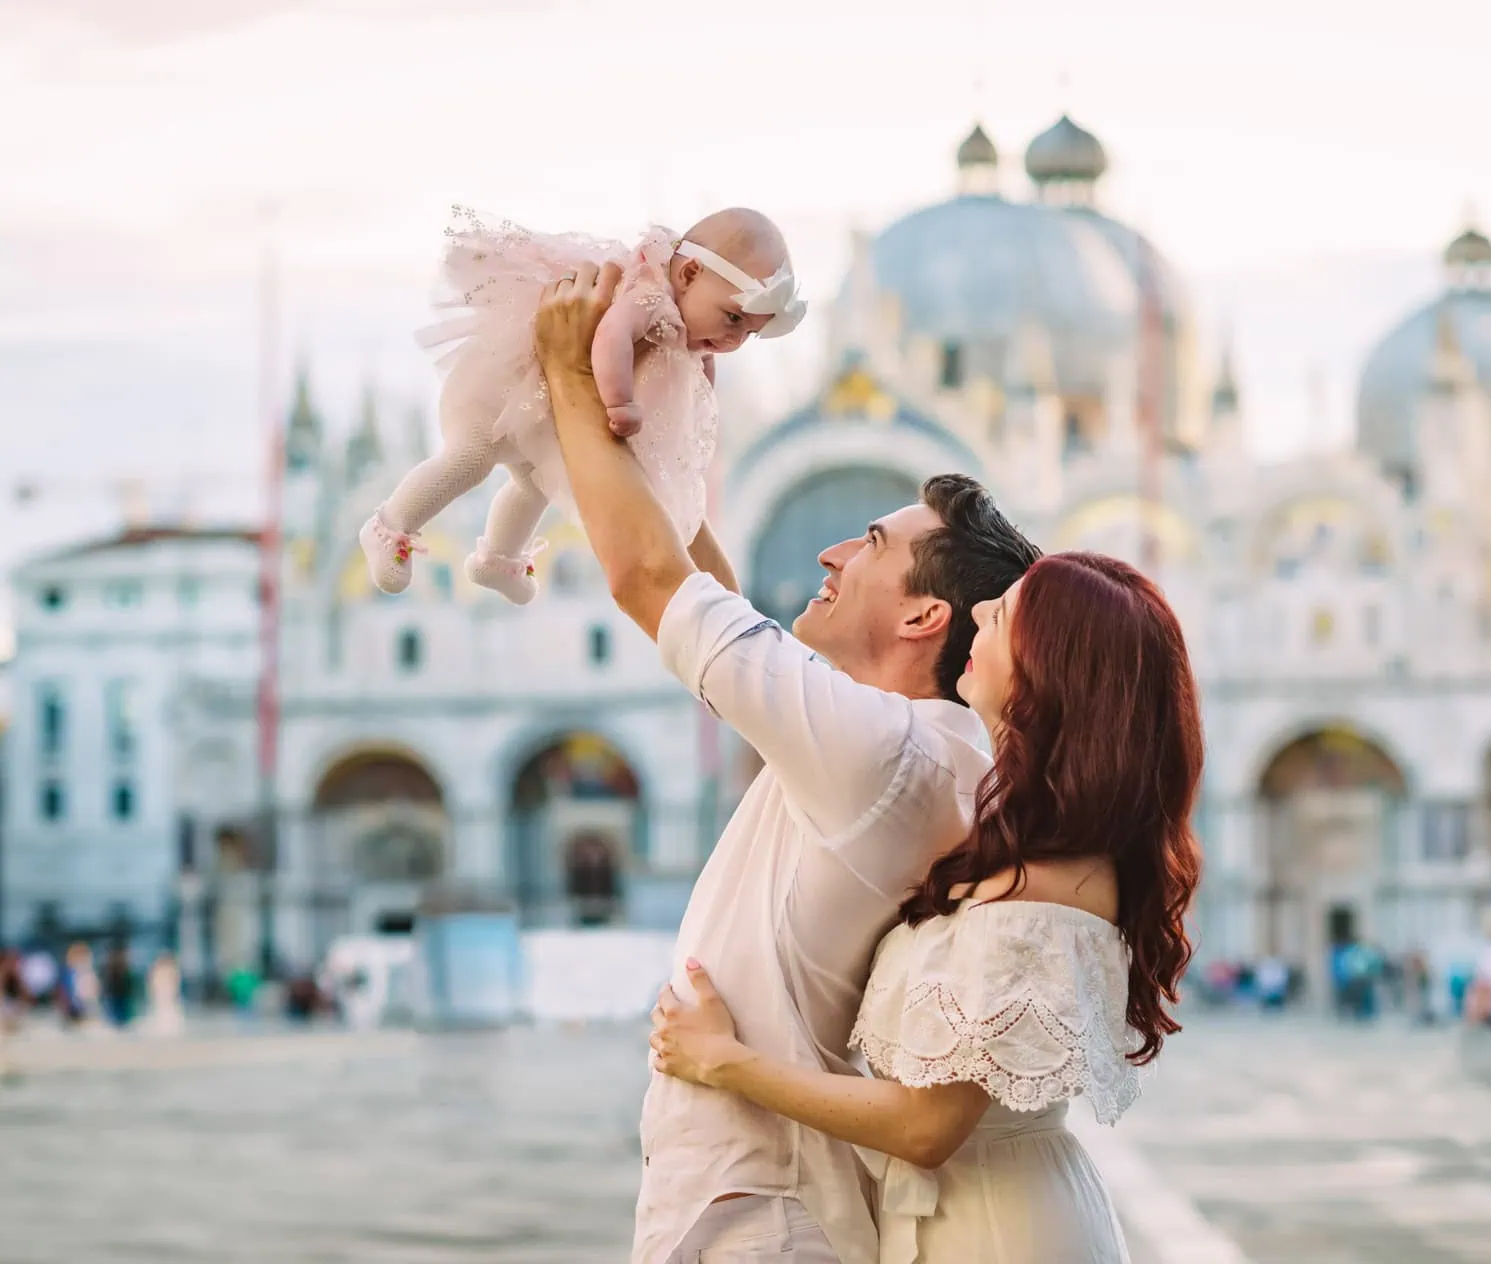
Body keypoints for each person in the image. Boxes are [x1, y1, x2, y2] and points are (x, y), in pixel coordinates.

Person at [534, 260, 1042, 1264]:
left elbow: (648, 579)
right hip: (756, 1192)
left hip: (757, 1209)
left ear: (922, 615)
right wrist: (663, 433)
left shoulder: (880, 750)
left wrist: (562, 377)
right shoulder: (911, 742)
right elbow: (713, 600)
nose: (830, 554)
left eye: (867, 541)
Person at [651, 549, 1205, 1263]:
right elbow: (752, 663)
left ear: (1053, 672)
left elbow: (928, 1128)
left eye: (1003, 615)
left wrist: (724, 1062)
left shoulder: (1045, 878)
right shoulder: (1018, 834)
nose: (979, 613)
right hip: (964, 1217)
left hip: (999, 1231)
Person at [362, 207, 804, 604]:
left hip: (548, 415)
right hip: (502, 390)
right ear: (687, 275)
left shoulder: (693, 336)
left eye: (748, 332)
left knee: (536, 485)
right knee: (471, 457)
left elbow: (699, 382)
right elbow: (611, 339)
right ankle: (389, 526)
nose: (734, 340)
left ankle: (497, 559)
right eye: (732, 318)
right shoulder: (649, 297)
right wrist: (620, 402)